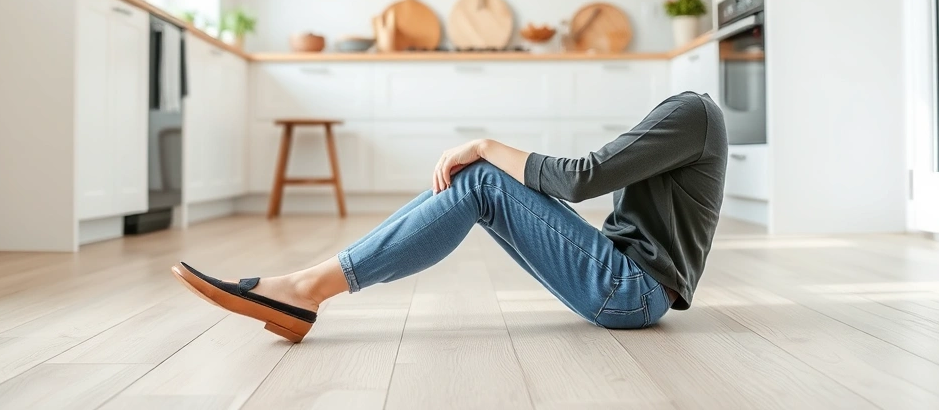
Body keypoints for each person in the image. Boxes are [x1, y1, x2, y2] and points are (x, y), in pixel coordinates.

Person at [173, 91, 727, 343]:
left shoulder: (691, 112)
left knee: (482, 175)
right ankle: (303, 286)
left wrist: (484, 144)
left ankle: (304, 288)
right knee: (474, 182)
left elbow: (579, 179)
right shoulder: (691, 117)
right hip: (625, 285)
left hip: (630, 290)